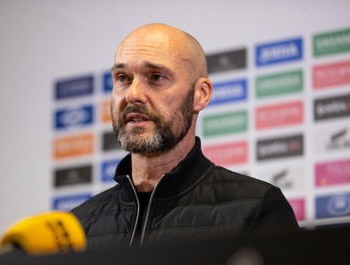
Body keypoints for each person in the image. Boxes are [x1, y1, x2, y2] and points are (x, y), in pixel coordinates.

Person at [71, 23, 299, 249]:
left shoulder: (257, 209)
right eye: (123, 78)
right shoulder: (78, 228)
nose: (133, 94)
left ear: (200, 94)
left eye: (156, 77)